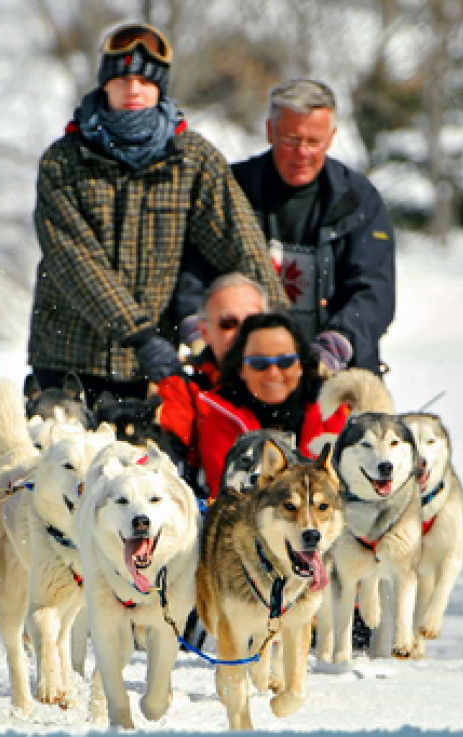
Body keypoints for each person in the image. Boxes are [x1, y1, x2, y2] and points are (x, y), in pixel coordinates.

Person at [27, 21, 286, 404]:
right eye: (122, 79)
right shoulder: (63, 162)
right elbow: (75, 260)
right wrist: (140, 334)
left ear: (160, 88)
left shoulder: (193, 160)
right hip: (68, 360)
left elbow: (240, 242)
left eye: (145, 82)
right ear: (104, 85)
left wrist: (281, 327)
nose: (133, 90)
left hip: (147, 373)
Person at [178, 78, 395, 374]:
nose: (301, 153)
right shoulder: (229, 191)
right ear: (270, 131)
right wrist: (199, 336)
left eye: (313, 142)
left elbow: (373, 292)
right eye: (291, 140)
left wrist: (336, 344)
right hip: (243, 369)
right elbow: (192, 272)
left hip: (335, 369)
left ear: (331, 137)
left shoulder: (358, 200)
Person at [196, 311, 350, 498]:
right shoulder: (221, 418)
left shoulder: (331, 410)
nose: (273, 373)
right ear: (240, 369)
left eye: (285, 362)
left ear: (300, 365)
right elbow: (224, 497)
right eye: (259, 363)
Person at [156, 272, 267, 484]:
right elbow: (170, 469)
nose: (242, 333)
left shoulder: (299, 385)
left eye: (253, 321)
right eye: (228, 323)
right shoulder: (184, 389)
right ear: (204, 332)